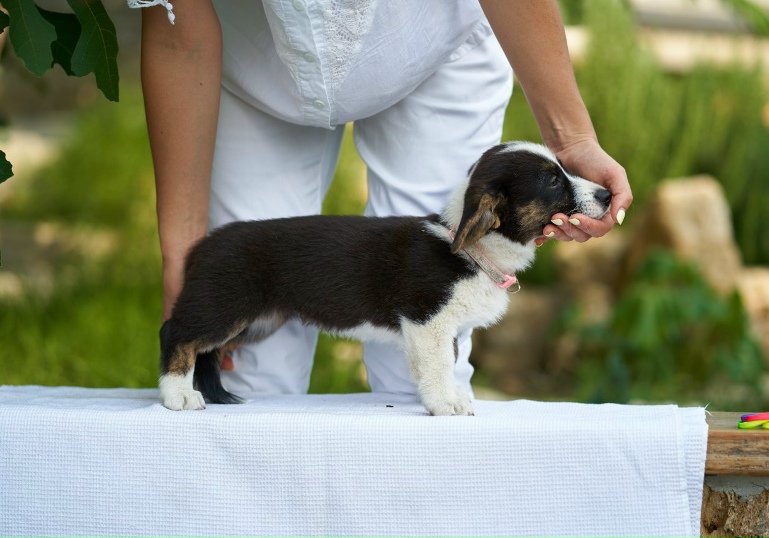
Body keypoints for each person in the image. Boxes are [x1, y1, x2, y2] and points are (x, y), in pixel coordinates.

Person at [134, 0, 632, 397]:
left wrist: (571, 139)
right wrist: (181, 247)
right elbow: (178, 35)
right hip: (254, 54)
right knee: (249, 362)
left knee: (426, 373)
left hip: (437, 37)